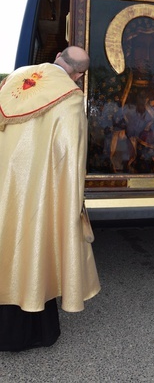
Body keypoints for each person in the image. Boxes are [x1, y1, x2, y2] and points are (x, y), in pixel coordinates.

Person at [0, 46, 100, 351]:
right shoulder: (70, 97)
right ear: (79, 74)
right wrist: (72, 202)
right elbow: (72, 157)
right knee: (31, 248)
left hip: (5, 183)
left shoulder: (14, 79)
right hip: (38, 190)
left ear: (57, 56)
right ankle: (30, 331)